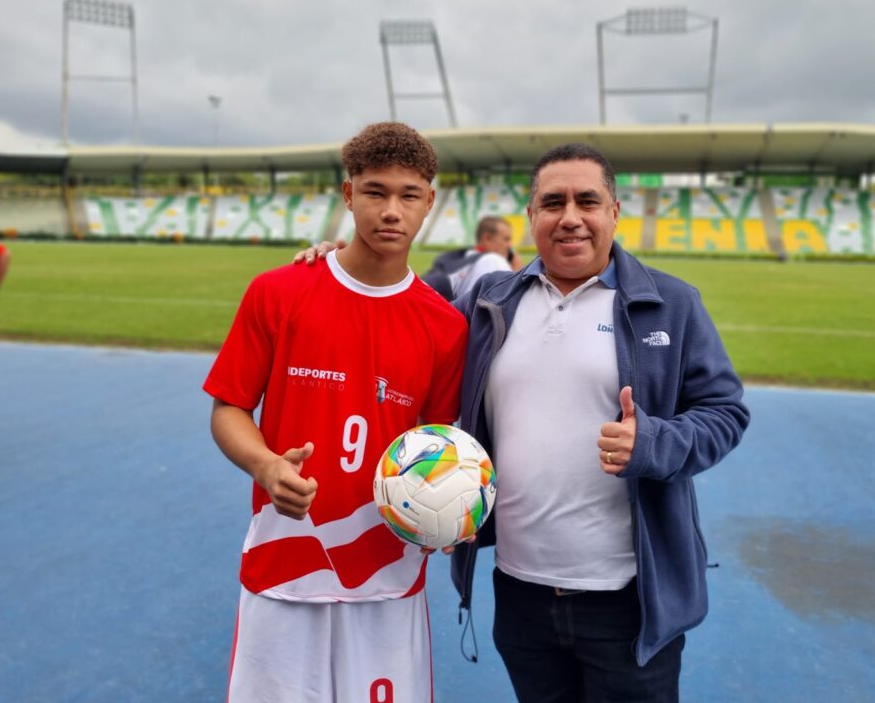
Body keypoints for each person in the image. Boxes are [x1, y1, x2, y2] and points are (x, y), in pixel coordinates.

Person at [297, 142, 749, 702]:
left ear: (614, 211)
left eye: (588, 201)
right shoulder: (490, 300)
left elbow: (725, 412)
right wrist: (341, 261)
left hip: (627, 601)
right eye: (552, 203)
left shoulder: (672, 304)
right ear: (530, 216)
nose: (570, 217)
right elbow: (398, 304)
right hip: (519, 593)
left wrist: (654, 441)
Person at [204, 122, 468, 703]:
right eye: (375, 192)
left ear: (429, 202)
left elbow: (440, 444)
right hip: (283, 564)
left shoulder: (445, 326)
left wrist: (449, 508)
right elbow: (229, 409)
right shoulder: (278, 292)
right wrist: (266, 466)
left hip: (387, 575)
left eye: (408, 195)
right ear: (349, 196)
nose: (390, 211)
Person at [422, 215, 524, 301]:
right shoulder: (492, 260)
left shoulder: (463, 257)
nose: (509, 246)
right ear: (487, 238)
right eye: (506, 239)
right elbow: (507, 304)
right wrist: (517, 275)